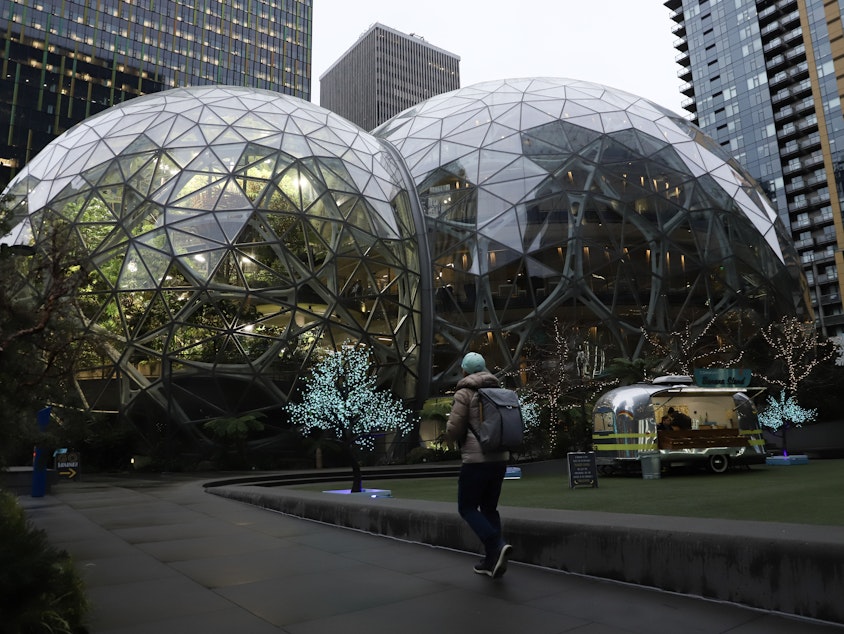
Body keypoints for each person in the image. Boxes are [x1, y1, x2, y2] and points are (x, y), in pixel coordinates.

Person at [446, 352, 512, 578]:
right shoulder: (498, 391)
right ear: (484, 369)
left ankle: (496, 544)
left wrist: (448, 436)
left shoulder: (464, 393)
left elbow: (454, 428)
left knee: (466, 507)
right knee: (489, 508)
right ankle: (492, 561)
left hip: (476, 460)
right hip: (500, 458)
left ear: (464, 371)